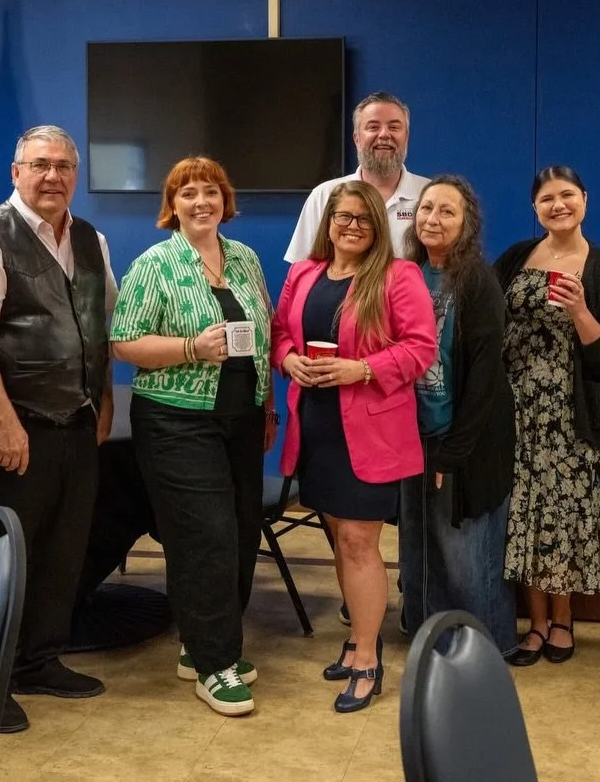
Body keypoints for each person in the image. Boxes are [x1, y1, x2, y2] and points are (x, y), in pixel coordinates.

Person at [0, 124, 117, 733]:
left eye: (64, 166)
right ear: (15, 172)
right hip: (15, 431)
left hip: (77, 422)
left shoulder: (92, 239)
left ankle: (40, 661)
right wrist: (3, 422)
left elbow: (98, 325)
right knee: (8, 555)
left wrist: (103, 401)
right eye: (40, 164)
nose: (53, 176)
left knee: (63, 552)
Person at [111, 156, 277, 717]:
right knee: (206, 537)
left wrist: (268, 405)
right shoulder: (154, 264)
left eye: (211, 192)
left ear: (225, 201)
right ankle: (216, 665)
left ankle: (199, 643)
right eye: (188, 194)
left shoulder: (246, 259)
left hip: (241, 418)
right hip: (177, 421)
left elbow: (265, 333)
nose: (201, 202)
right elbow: (124, 343)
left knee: (240, 531)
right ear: (172, 205)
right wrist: (191, 349)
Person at [272, 180, 436, 712]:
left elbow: (421, 349)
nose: (351, 226)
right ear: (328, 221)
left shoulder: (397, 275)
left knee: (361, 543)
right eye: (343, 217)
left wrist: (361, 368)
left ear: (378, 228)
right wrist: (288, 360)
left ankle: (368, 656)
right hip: (316, 426)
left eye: (363, 220)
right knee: (338, 538)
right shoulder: (305, 272)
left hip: (372, 433)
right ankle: (355, 638)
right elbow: (279, 333)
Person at [494, 165, 600, 666]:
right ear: (534, 208)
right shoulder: (515, 258)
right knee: (525, 518)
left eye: (567, 195)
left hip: (574, 417)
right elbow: (489, 324)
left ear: (585, 200)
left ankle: (563, 620)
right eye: (547, 199)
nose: (558, 205)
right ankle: (533, 625)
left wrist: (580, 311)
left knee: (564, 519)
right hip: (518, 412)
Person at [399, 175, 517, 651]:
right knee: (420, 548)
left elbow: (487, 377)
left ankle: (486, 649)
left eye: (447, 211)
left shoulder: (478, 283)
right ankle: (431, 638)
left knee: (468, 555)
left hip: (464, 442)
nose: (434, 219)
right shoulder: (404, 274)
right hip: (413, 437)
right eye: (427, 209)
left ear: (467, 223)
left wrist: (454, 454)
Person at [284, 91, 429, 261]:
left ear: (406, 138)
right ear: (357, 138)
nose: (384, 134)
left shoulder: (428, 195)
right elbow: (301, 268)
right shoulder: (324, 195)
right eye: (373, 127)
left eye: (394, 127)